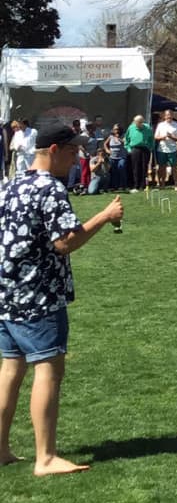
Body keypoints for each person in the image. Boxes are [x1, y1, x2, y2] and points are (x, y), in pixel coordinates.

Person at [0, 124, 124, 476]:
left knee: (10, 369)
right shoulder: (49, 188)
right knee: (49, 369)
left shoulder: (11, 183)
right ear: (53, 149)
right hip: (38, 293)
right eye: (72, 152)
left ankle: (1, 448)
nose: (76, 159)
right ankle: (46, 457)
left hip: (7, 292)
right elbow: (65, 241)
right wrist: (104, 216)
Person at [123, 114, 154, 193]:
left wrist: (150, 148)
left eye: (140, 122)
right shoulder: (131, 127)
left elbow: (151, 139)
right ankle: (135, 186)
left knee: (144, 167)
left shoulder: (147, 128)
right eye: (137, 122)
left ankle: (143, 186)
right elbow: (126, 139)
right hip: (135, 149)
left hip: (145, 149)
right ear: (134, 122)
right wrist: (129, 149)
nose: (139, 124)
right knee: (135, 168)